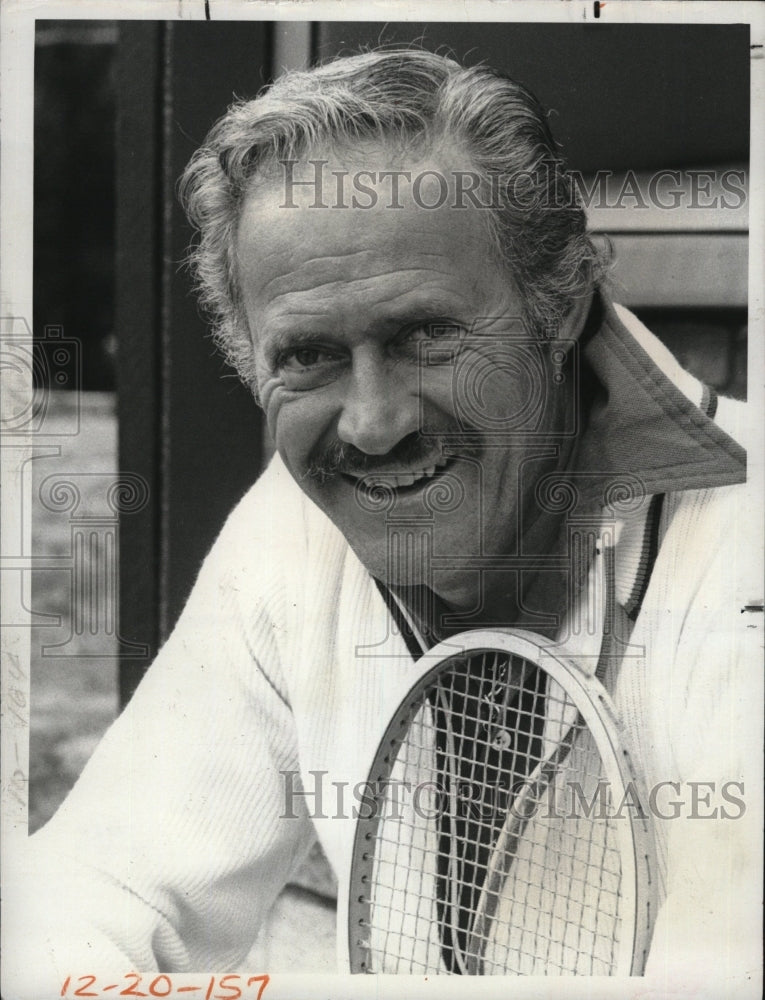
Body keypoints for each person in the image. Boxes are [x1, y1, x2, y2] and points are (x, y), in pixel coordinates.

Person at [7, 48, 760, 992]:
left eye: (424, 337)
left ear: (559, 305)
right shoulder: (297, 518)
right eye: (310, 357)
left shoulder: (745, 556)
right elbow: (102, 894)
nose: (371, 424)